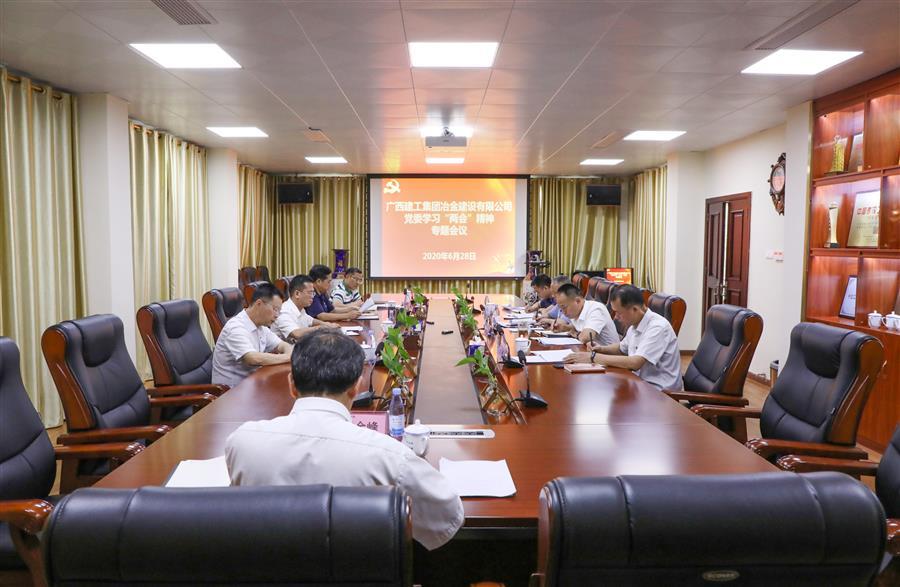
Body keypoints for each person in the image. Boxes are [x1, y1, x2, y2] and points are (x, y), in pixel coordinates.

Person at [225, 329, 464, 551]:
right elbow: (448, 518)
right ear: (355, 387)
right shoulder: (389, 456)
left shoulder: (242, 442)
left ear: (292, 385)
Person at [564, 284, 682, 390]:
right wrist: (601, 349)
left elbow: (635, 362)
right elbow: (622, 348)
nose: (616, 317)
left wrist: (593, 357)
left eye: (618, 312)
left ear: (635, 309)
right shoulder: (635, 324)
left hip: (659, 392)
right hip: (639, 383)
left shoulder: (658, 327)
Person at [212, 282, 293, 388]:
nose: (277, 315)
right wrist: (287, 357)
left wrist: (288, 353)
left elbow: (282, 345)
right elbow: (252, 358)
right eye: (275, 309)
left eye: (279, 311)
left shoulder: (261, 326)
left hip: (252, 383)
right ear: (259, 304)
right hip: (230, 391)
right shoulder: (235, 327)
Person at [272, 274, 338, 342]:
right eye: (310, 293)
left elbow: (311, 320)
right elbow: (296, 333)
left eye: (313, 293)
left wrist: (326, 324)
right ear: (297, 294)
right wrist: (320, 328)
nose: (312, 296)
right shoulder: (284, 311)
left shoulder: (300, 308)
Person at [552, 283, 619, 346]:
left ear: (577, 301)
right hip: (590, 350)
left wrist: (576, 334)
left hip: (607, 352)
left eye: (564, 307)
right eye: (560, 308)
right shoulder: (576, 311)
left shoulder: (596, 309)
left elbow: (586, 338)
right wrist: (565, 328)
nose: (563, 312)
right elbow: (578, 326)